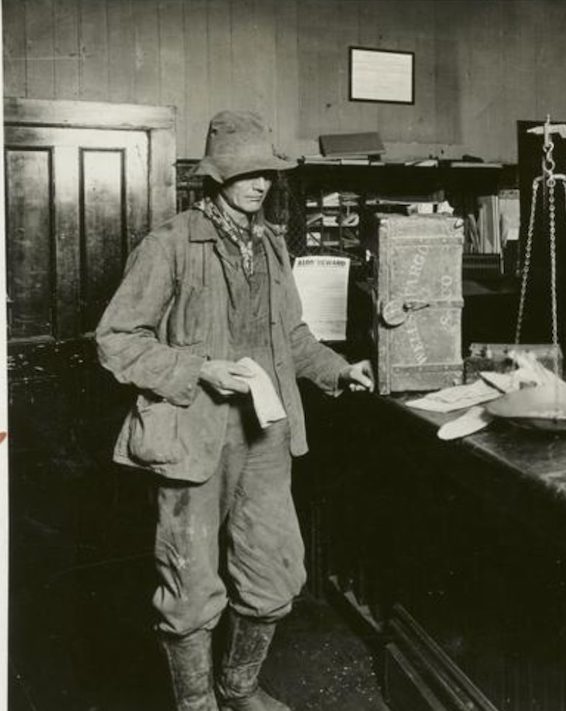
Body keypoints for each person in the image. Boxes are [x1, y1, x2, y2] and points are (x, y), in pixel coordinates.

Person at [96, 110, 373, 711]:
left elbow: (292, 337)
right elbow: (116, 340)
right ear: (216, 177)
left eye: (268, 174)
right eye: (246, 173)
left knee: (275, 574)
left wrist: (339, 369)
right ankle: (198, 707)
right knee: (191, 587)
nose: (259, 184)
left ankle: (238, 690)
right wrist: (199, 370)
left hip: (265, 437)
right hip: (193, 435)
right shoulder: (170, 244)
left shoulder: (271, 245)